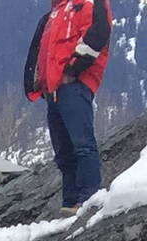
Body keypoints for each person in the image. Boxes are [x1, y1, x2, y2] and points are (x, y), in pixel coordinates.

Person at [23, 0, 111, 213]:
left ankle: (88, 199)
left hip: (75, 85)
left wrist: (72, 70)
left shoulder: (89, 3)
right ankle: (70, 202)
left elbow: (98, 33)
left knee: (82, 145)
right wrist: (41, 84)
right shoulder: (54, 14)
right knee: (63, 152)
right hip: (53, 90)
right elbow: (42, 52)